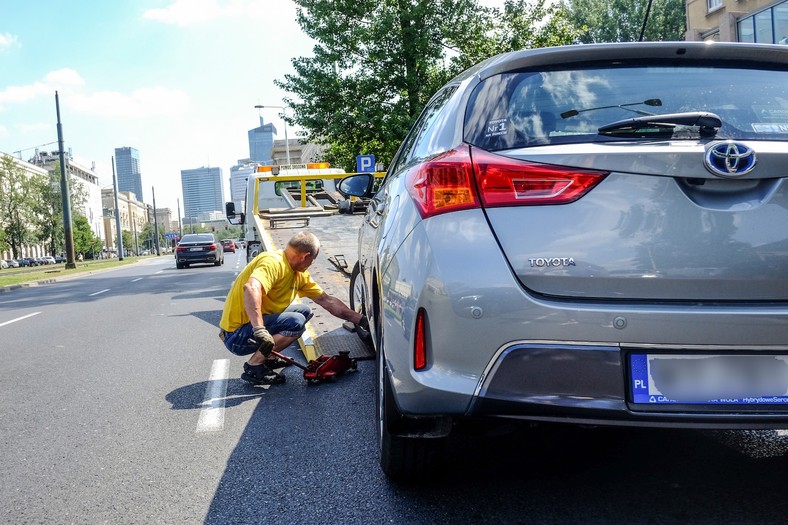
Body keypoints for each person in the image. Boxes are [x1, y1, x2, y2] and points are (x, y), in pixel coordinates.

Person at [218, 231, 367, 385]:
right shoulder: (273, 263)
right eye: (312, 260)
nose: (312, 264)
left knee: (304, 311)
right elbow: (251, 288)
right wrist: (259, 330)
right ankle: (254, 365)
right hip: (236, 336)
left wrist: (362, 320)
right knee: (295, 322)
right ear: (305, 256)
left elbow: (327, 300)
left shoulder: (297, 273)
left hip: (249, 329)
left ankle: (269, 358)